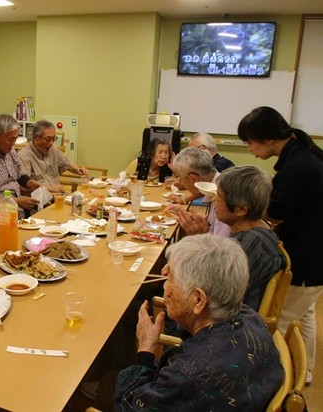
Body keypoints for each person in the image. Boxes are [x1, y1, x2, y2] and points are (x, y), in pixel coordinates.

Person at [96, 234, 283, 411]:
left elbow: (132, 405)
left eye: (170, 279)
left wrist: (146, 347)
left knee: (108, 384)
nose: (164, 284)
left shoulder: (188, 374)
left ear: (198, 299)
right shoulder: (249, 316)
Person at [238, 106, 323, 385]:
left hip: (306, 258)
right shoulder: (301, 154)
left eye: (250, 142)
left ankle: (277, 385)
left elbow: (276, 213)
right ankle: (304, 372)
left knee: (280, 321)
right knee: (304, 314)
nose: (249, 148)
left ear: (268, 138)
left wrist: (245, 203)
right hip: (314, 255)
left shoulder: (297, 166)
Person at [214, 165, 285, 310]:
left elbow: (216, 295)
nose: (213, 199)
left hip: (233, 318)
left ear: (241, 209)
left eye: (219, 196)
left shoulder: (249, 244)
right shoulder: (260, 228)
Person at [167, 147, 231, 237]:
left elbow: (221, 242)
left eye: (180, 178)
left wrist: (198, 234)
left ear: (194, 178)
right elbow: (212, 224)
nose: (180, 182)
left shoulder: (222, 195)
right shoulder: (217, 181)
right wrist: (190, 217)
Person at [18, 119, 89, 193]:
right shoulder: (24, 156)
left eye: (53, 138)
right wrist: (49, 188)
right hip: (40, 198)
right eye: (48, 139)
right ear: (36, 138)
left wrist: (78, 169)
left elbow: (67, 164)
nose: (51, 143)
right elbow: (23, 186)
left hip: (59, 194)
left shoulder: (52, 149)